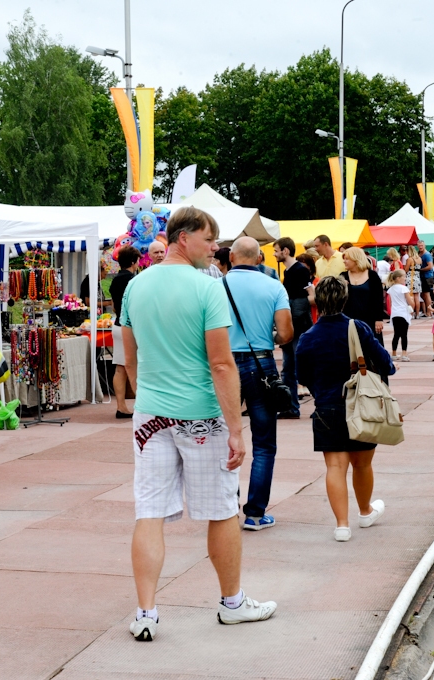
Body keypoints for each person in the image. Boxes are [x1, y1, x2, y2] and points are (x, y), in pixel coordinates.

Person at [121, 206, 276, 641]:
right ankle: (232, 603)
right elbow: (222, 364)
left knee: (149, 511)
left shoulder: (135, 286)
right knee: (222, 509)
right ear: (183, 237)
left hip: (151, 413)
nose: (215, 249)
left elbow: (130, 357)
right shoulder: (208, 288)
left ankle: (146, 612)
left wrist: (145, 396)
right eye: (210, 240)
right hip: (201, 413)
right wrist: (236, 428)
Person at [296, 276, 393, 542]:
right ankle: (365, 511)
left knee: (335, 467)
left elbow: (301, 374)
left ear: (318, 301)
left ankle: (341, 525)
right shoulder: (357, 327)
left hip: (327, 406)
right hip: (361, 405)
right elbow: (386, 362)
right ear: (345, 298)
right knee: (362, 464)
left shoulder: (308, 337)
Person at [224, 237, 293, 530]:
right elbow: (287, 332)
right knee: (264, 442)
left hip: (221, 363)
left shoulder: (215, 287)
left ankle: (225, 508)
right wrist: (269, 339)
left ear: (231, 258)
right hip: (260, 361)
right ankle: (254, 513)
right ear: (260, 258)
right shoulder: (274, 286)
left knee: (222, 437)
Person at [274, 237, 312, 418]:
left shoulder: (299, 271)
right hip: (290, 325)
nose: (274, 254)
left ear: (285, 251)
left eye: (276, 251)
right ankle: (291, 407)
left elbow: (309, 297)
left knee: (302, 367)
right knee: (289, 368)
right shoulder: (290, 272)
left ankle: (321, 404)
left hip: (299, 325)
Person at [111, 245, 141, 418]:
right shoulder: (134, 280)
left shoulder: (115, 280)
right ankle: (130, 406)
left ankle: (121, 405)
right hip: (130, 327)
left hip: (117, 324)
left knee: (119, 368)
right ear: (133, 261)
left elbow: (115, 305)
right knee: (133, 366)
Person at [340, 247, 387, 345]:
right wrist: (340, 286)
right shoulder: (343, 276)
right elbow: (338, 299)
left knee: (373, 348)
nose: (344, 261)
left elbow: (378, 299)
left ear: (356, 259)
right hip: (349, 319)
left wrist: (379, 319)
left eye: (347, 259)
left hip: (369, 319)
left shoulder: (372, 275)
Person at [386, 270, 413, 361]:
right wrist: (412, 303)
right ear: (398, 278)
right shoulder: (403, 288)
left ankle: (394, 353)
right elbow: (410, 302)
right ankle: (404, 354)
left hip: (395, 313)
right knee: (404, 334)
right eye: (404, 276)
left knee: (396, 334)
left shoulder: (391, 289)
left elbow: (389, 302)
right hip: (403, 313)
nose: (405, 278)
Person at [418, 240, 434, 317]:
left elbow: (430, 266)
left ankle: (429, 312)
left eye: (422, 245)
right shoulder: (419, 254)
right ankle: (429, 310)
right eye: (419, 245)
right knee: (423, 295)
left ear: (424, 245)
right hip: (423, 277)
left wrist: (420, 270)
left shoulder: (427, 255)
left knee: (426, 294)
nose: (420, 247)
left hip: (427, 277)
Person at [404, 246, 422, 317]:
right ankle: (417, 314)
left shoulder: (410, 259)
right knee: (417, 297)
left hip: (410, 279)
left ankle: (411, 314)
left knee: (411, 297)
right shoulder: (419, 259)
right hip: (417, 278)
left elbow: (406, 270)